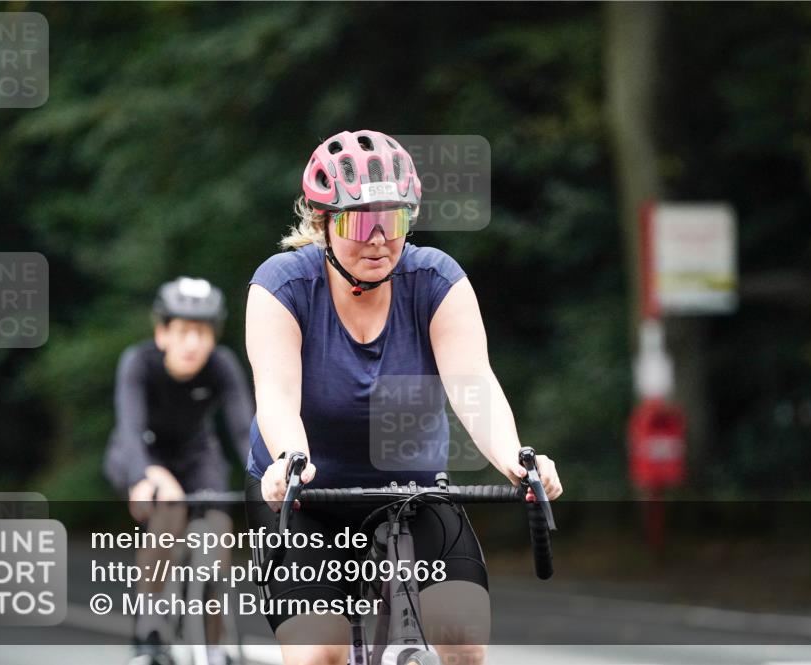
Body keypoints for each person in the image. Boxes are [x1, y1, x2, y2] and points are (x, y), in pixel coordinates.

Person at [243, 130, 563, 665]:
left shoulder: (436, 279)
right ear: (323, 224)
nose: (377, 239)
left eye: (391, 221)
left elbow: (473, 384)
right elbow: (276, 395)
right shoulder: (282, 285)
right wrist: (288, 463)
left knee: (464, 642)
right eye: (358, 221)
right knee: (318, 653)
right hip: (304, 497)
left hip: (413, 490)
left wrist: (516, 460)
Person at [103, 276, 254, 665]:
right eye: (184, 331)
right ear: (162, 333)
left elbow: (243, 430)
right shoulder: (138, 362)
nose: (193, 343)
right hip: (143, 451)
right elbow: (130, 429)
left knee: (218, 535)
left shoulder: (221, 365)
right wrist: (142, 477)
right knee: (168, 510)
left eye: (202, 333)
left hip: (196, 455)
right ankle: (148, 627)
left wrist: (269, 474)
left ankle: (215, 645)